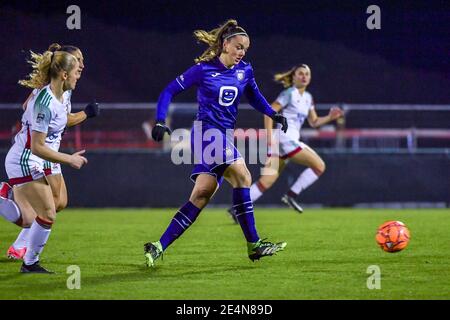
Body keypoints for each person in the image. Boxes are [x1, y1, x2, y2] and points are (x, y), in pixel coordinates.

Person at [144, 19, 289, 267]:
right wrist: (159, 120)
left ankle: (158, 246)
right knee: (243, 176)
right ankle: (254, 244)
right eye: (238, 46)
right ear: (225, 44)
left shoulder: (245, 70)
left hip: (223, 137)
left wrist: (272, 113)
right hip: (206, 133)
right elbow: (168, 90)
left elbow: (255, 97)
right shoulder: (203, 70)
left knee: (200, 196)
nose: (242, 52)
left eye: (245, 48)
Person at [1, 45, 99, 261]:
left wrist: (83, 114)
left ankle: (23, 247)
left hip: (48, 151)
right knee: (33, 216)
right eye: (78, 60)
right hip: (36, 153)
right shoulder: (46, 94)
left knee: (59, 202)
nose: (82, 65)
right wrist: (84, 115)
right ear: (65, 66)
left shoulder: (66, 90)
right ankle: (21, 244)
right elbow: (32, 109)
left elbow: (63, 119)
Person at [228, 64, 343, 220]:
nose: (304, 76)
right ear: (293, 77)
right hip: (285, 139)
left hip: (284, 142)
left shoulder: (308, 98)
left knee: (266, 182)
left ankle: (237, 209)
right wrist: (269, 138)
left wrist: (330, 117)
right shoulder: (289, 93)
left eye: (307, 74)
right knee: (319, 166)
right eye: (300, 73)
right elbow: (268, 112)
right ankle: (291, 195)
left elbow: (314, 121)